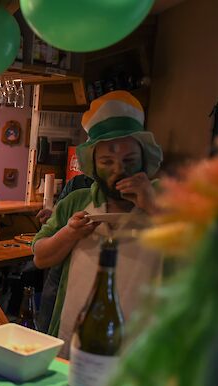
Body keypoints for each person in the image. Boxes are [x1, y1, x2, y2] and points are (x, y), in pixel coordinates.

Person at [32, 91, 164, 357]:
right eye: (107, 162)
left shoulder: (169, 199)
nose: (118, 170)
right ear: (92, 164)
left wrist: (152, 205)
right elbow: (40, 257)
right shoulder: (77, 201)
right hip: (73, 335)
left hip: (141, 346)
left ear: (144, 160)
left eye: (129, 161)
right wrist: (69, 233)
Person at [34, 174, 94, 333]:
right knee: (46, 330)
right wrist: (54, 216)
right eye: (106, 160)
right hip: (60, 274)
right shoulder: (78, 192)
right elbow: (39, 256)